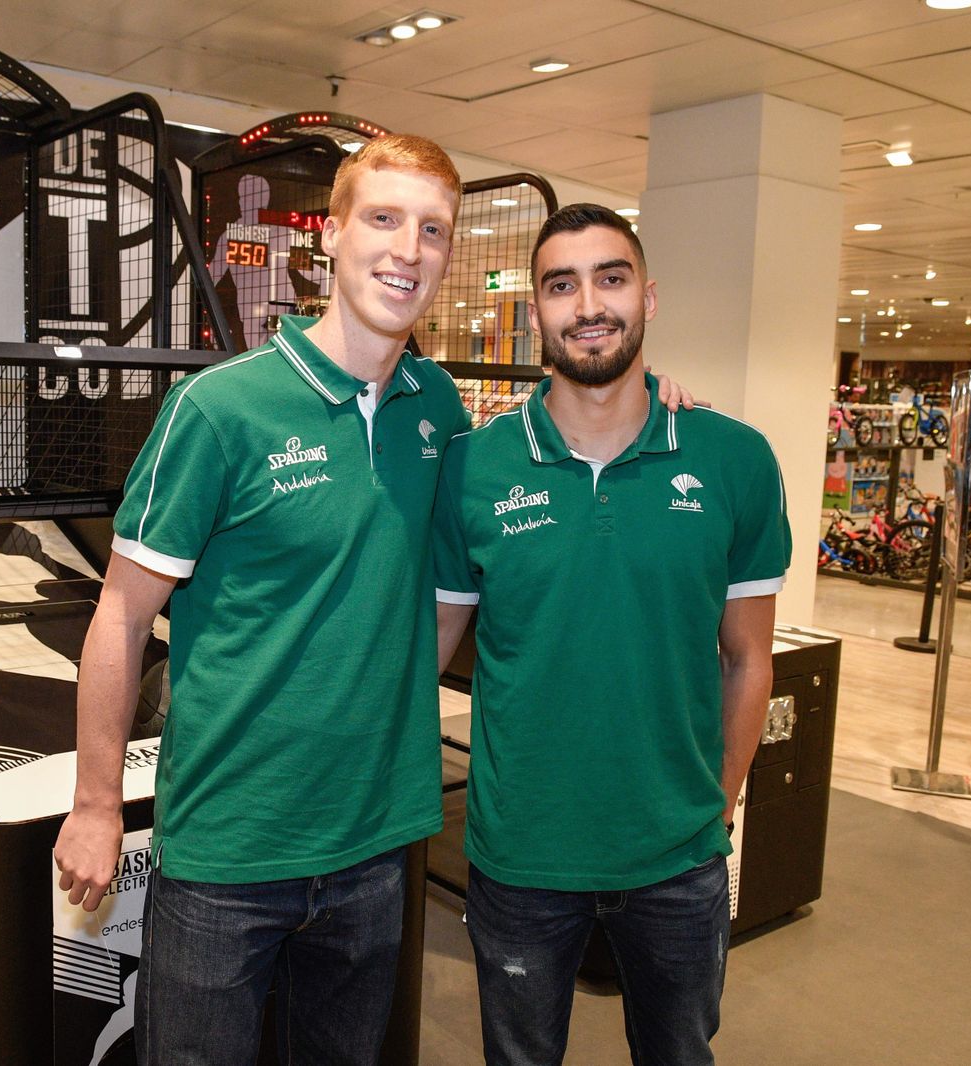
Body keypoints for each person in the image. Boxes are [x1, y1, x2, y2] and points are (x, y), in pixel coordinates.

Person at [54, 138, 693, 1064]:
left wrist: (653, 401)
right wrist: (97, 803)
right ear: (333, 237)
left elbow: (523, 488)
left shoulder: (437, 407)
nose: (408, 249)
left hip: (375, 846)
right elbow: (118, 615)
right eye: (385, 219)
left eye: (433, 230)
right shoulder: (219, 411)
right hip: (230, 844)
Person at [432, 203, 789, 1066]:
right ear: (537, 309)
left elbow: (748, 659)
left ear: (649, 297)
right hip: (520, 856)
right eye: (562, 285)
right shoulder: (474, 468)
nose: (588, 304)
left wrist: (720, 809)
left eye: (611, 278)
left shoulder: (735, 459)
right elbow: (425, 659)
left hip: (679, 857)